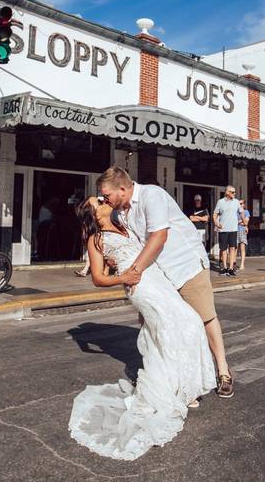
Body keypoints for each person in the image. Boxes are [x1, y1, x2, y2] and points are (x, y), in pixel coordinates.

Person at [69, 197, 216, 460]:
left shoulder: (123, 225)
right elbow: (98, 278)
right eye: (99, 201)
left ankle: (180, 386)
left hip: (157, 278)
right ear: (94, 213)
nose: (104, 201)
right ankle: (176, 392)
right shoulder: (96, 239)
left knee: (185, 325)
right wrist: (122, 277)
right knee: (173, 328)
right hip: (141, 287)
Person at [97, 167, 234, 399]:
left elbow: (159, 237)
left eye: (106, 195)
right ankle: (174, 375)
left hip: (185, 266)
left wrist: (135, 271)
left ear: (122, 189)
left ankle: (223, 371)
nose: (105, 200)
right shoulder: (120, 214)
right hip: (159, 274)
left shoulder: (152, 195)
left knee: (205, 316)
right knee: (162, 323)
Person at [213, 185, 240, 276]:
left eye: (235, 192)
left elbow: (242, 212)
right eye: (232, 192)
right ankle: (224, 267)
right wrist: (216, 223)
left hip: (233, 229)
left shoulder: (236, 202)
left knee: (232, 248)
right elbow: (215, 214)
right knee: (223, 249)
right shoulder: (220, 202)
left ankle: (231, 268)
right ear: (227, 192)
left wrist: (246, 224)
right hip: (223, 229)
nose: (234, 193)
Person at [237, 198, 250, 271]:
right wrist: (242, 221)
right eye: (239, 204)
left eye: (242, 203)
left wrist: (240, 221)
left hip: (242, 230)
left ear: (244, 204)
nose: (240, 205)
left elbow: (246, 222)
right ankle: (234, 263)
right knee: (234, 248)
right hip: (235, 230)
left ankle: (242, 264)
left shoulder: (246, 212)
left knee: (242, 248)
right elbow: (234, 221)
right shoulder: (236, 212)